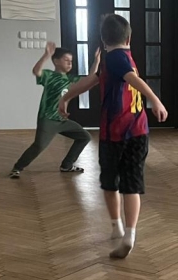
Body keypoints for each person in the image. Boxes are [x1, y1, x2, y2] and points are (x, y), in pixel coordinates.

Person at [59, 14, 167, 259]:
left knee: (111, 183)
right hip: (139, 132)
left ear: (103, 40)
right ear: (129, 38)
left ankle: (119, 227)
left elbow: (133, 80)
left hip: (115, 134)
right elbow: (92, 80)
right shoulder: (122, 58)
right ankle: (128, 232)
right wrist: (66, 97)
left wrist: (155, 100)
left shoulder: (115, 58)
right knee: (132, 185)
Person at [9, 42, 95, 179]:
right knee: (39, 146)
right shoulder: (49, 75)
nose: (70, 63)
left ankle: (67, 165)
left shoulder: (71, 78)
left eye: (71, 61)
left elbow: (90, 78)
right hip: (48, 118)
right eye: (66, 60)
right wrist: (46, 55)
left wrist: (97, 61)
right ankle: (17, 168)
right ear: (56, 61)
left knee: (85, 137)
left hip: (62, 120)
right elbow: (36, 71)